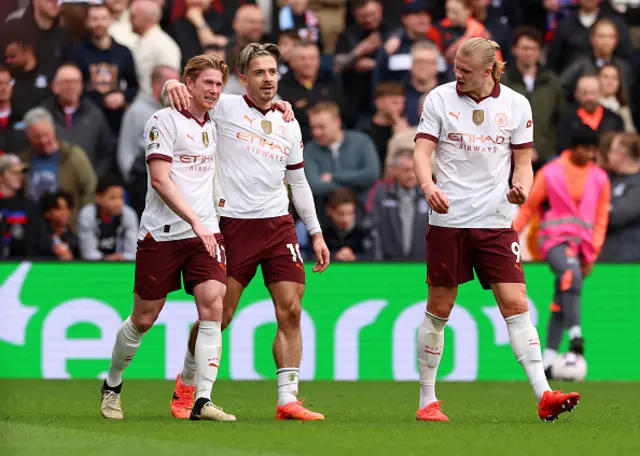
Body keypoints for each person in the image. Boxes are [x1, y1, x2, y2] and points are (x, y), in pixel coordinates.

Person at [413, 37, 580, 422]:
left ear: (489, 71)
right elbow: (422, 152)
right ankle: (427, 401)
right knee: (440, 308)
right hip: (449, 219)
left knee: (517, 303)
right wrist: (429, 186)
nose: (457, 75)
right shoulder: (440, 98)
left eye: (465, 71)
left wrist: (523, 185)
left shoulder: (516, 105)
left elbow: (523, 161)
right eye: (455, 67)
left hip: (495, 220)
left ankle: (544, 395)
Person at [164, 43, 330, 421]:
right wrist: (172, 83)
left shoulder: (289, 120)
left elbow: (299, 182)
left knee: (291, 309)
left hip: (278, 225)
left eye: (273, 72)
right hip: (232, 225)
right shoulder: (224, 107)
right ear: (243, 79)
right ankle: (188, 383)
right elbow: (184, 95)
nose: (268, 79)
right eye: (259, 72)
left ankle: (288, 399)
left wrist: (316, 233)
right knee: (219, 316)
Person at [100, 55, 235, 422]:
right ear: (188, 83)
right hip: (162, 234)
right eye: (207, 83)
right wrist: (195, 221)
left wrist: (283, 106)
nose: (214, 91)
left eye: (219, 85)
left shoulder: (217, 122)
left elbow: (255, 105)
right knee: (144, 318)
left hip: (205, 233)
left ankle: (201, 401)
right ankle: (112, 384)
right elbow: (160, 180)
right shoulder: (163, 120)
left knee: (213, 307)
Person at [513, 126, 610, 377]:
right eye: (585, 148)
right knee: (569, 273)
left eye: (593, 150)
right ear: (574, 148)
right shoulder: (551, 173)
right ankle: (576, 333)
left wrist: (593, 254)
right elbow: (528, 208)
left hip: (583, 249)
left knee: (560, 301)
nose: (589, 154)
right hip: (554, 241)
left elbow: (600, 220)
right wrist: (509, 236)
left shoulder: (600, 178)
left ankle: (548, 360)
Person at [77, 175, 138, 261]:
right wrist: (106, 259)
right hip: (94, 267)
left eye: (121, 197)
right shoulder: (87, 214)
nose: (118, 203)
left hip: (121, 264)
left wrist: (121, 258)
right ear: (98, 198)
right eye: (112, 198)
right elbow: (88, 253)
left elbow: (133, 252)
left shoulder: (129, 214)